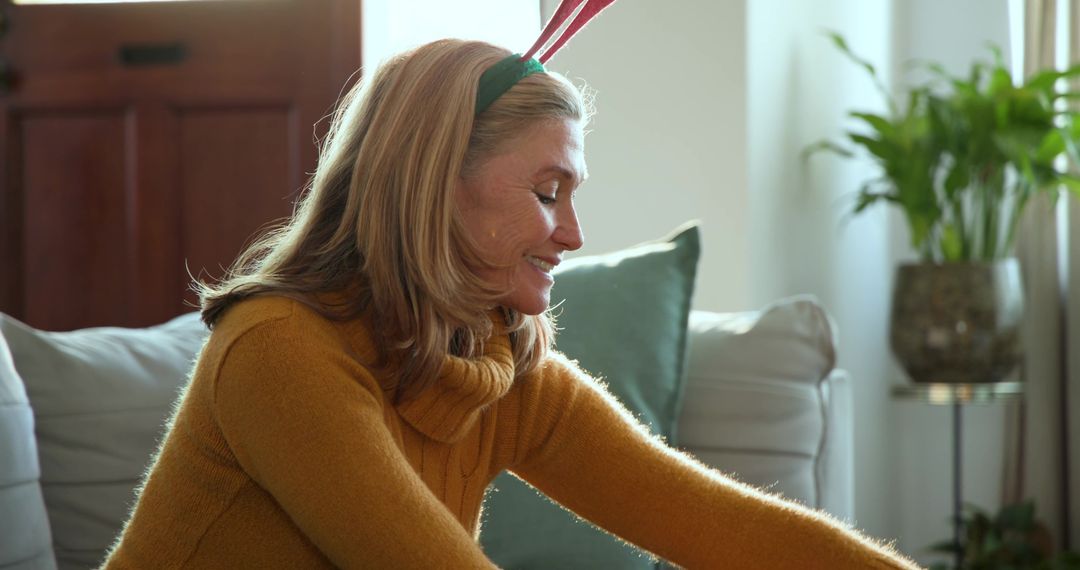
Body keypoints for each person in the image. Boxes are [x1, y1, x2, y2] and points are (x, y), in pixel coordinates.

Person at [101, 38, 920, 569]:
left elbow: (722, 528)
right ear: (434, 184)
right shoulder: (279, 350)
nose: (573, 234)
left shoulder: (496, 367)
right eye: (547, 191)